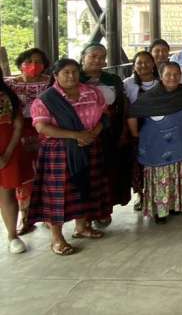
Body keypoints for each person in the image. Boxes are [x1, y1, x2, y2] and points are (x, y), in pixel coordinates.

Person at [29, 59, 110, 255]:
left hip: (89, 144)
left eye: (74, 71)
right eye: (66, 72)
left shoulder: (91, 92)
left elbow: (104, 116)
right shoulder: (47, 99)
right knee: (58, 195)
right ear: (55, 76)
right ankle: (57, 238)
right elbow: (42, 127)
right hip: (59, 149)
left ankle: (82, 227)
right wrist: (76, 135)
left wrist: (92, 134)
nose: (71, 76)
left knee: (85, 186)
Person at [128, 63, 182, 224]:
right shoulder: (149, 97)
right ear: (160, 76)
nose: (172, 78)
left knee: (178, 175)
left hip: (181, 144)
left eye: (176, 74)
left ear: (181, 75)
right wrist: (135, 133)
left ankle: (174, 205)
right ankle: (160, 211)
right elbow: (132, 113)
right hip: (158, 148)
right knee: (162, 178)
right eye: (168, 74)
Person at [78, 43, 128, 229]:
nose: (98, 60)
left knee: (106, 172)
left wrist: (123, 131)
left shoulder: (112, 79)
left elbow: (122, 106)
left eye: (102, 57)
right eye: (93, 56)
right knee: (83, 173)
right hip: (80, 134)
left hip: (108, 132)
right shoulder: (73, 76)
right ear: (83, 56)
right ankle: (83, 217)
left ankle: (103, 211)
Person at [5, 48, 51, 235]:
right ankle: (26, 218)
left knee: (46, 173)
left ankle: (49, 217)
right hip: (18, 131)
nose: (33, 65)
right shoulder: (9, 85)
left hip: (45, 129)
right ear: (20, 64)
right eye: (28, 61)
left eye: (38, 61)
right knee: (23, 178)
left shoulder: (50, 82)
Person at [121, 51, 159, 211]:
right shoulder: (127, 84)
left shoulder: (161, 81)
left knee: (156, 163)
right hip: (136, 128)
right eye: (139, 63)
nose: (143, 65)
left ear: (153, 64)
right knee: (139, 163)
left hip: (158, 129)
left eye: (147, 62)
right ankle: (141, 196)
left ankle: (156, 194)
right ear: (134, 66)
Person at [0, 68, 27, 253]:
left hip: (7, 147)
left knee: (7, 194)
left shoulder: (7, 94)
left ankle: (12, 236)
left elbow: (18, 124)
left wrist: (8, 153)